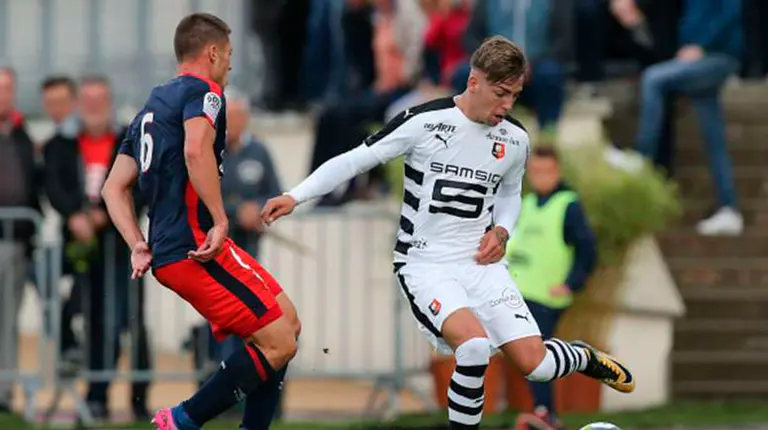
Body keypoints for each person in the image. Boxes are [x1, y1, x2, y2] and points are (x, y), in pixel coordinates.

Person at [262, 35, 635, 430]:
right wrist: (295, 195)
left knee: (538, 366)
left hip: (481, 267)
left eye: (516, 95)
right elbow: (355, 161)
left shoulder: (516, 139)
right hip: (426, 265)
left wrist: (504, 230)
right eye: (501, 93)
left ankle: (583, 357)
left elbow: (510, 195)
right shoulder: (424, 122)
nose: (507, 105)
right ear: (474, 81)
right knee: (473, 347)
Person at [100, 13, 300, 430]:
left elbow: (113, 187)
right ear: (212, 52)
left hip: (178, 248)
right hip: (195, 246)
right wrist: (221, 218)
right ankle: (181, 419)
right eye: (228, 55)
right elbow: (195, 151)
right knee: (278, 340)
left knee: (286, 322)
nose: (230, 64)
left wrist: (138, 241)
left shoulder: (152, 106)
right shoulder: (205, 91)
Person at [43, 75, 152, 421]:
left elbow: (143, 187)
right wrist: (75, 214)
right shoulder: (61, 143)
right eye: (87, 100)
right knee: (86, 317)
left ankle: (137, 398)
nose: (93, 107)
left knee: (127, 321)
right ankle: (95, 393)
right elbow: (53, 185)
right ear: (79, 103)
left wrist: (110, 216)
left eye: (99, 100)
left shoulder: (130, 140)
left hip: (122, 249)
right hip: (80, 249)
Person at [506, 146, 598, 430]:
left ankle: (546, 413)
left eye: (547, 171)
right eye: (535, 171)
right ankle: (541, 411)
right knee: (525, 354)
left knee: (537, 354)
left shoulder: (568, 205)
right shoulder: (528, 203)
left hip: (546, 295)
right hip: (518, 294)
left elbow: (588, 248)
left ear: (557, 171)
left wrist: (571, 283)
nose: (541, 177)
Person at [0, 66, 42, 415]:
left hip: (15, 242)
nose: (4, 95)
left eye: (8, 88)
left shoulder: (21, 133)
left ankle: (3, 391)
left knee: (8, 321)